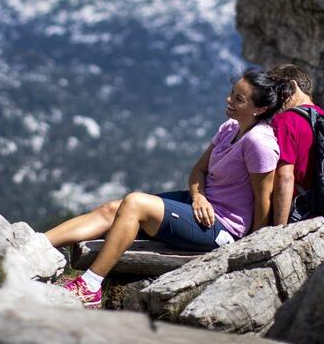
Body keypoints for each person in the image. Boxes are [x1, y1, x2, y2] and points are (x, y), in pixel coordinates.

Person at [46, 69, 280, 307]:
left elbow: (264, 199)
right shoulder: (230, 127)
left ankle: (90, 286)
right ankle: (35, 244)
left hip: (222, 229)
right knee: (113, 209)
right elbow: (198, 170)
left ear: (259, 109)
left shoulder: (259, 143)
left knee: (134, 204)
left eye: (239, 99)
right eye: (232, 93)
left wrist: (251, 248)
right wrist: (198, 196)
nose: (229, 100)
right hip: (200, 207)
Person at [268, 64, 324, 226]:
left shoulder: (285, 121)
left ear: (293, 86)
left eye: (277, 91)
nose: (274, 100)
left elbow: (285, 177)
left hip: (299, 214)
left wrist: (278, 230)